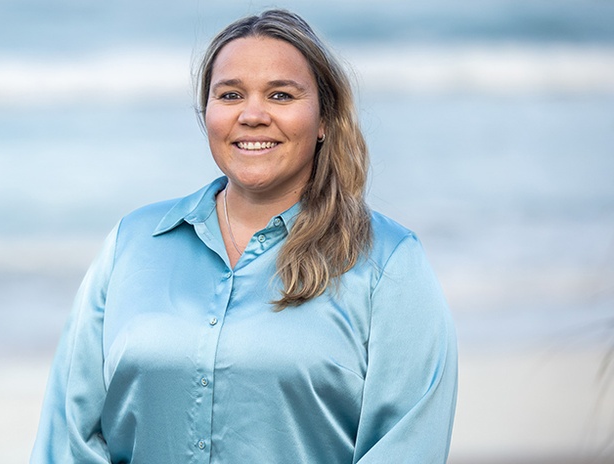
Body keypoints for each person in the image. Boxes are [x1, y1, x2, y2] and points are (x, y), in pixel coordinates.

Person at [31, 9, 458, 464]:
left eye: (280, 95)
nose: (252, 115)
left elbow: (406, 444)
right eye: (231, 94)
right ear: (208, 114)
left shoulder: (388, 262)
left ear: (324, 119)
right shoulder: (132, 243)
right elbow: (69, 436)